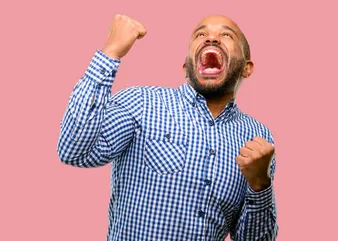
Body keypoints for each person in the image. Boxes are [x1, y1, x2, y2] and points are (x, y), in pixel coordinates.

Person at [57, 14, 278, 241]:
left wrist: (260, 183)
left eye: (226, 35)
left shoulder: (258, 137)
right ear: (186, 67)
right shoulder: (141, 103)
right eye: (201, 34)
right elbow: (74, 151)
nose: (211, 39)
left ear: (246, 67)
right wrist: (110, 52)